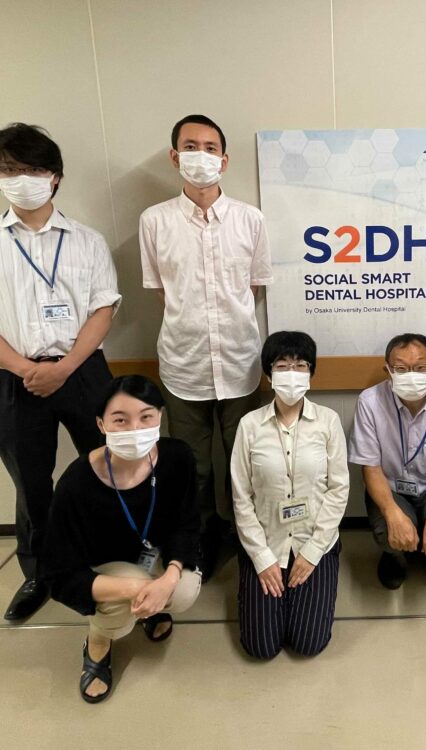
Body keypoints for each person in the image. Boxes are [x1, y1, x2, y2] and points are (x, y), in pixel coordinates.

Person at [0, 123, 121, 620]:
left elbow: (103, 311)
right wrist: (28, 368)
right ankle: (40, 572)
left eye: (33, 169)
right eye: (9, 169)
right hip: (14, 377)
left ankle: (112, 555)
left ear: (55, 176)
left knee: (111, 466)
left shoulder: (87, 241)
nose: (22, 179)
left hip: (83, 370)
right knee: (30, 481)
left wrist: (64, 367)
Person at [139, 114, 272, 577]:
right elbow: (163, 293)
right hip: (184, 365)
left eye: (210, 148)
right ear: (175, 156)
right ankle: (197, 539)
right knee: (192, 467)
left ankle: (246, 536)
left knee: (244, 461)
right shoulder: (154, 221)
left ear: (224, 160)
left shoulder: (250, 219)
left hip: (239, 362)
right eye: (191, 146)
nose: (201, 155)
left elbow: (253, 287)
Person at [42, 375, 202, 702]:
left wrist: (170, 577)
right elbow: (58, 574)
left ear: (160, 417)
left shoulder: (177, 457)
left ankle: (150, 606)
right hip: (105, 567)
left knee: (184, 589)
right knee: (129, 601)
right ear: (101, 424)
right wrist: (136, 589)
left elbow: (187, 524)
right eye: (120, 420)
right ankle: (98, 642)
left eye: (146, 417)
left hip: (155, 555)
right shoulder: (76, 483)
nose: (134, 429)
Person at [231, 331, 349, 659]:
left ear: (311, 372)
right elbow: (241, 497)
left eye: (300, 365)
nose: (292, 373)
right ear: (269, 375)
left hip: (314, 541)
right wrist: (261, 557)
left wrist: (312, 552)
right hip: (266, 541)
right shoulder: (250, 425)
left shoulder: (328, 421)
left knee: (308, 643)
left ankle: (316, 575)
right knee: (261, 647)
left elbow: (339, 489)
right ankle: (254, 581)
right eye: (282, 366)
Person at [348, 333, 426, 590]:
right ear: (387, 371)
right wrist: (392, 513)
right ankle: (395, 558)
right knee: (387, 530)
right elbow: (371, 468)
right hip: (392, 488)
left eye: (420, 368)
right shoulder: (369, 402)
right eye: (401, 369)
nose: (411, 375)